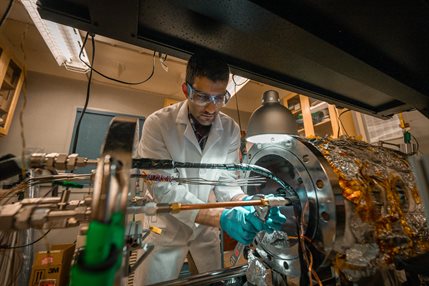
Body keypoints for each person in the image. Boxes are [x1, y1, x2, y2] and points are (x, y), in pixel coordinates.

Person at [135, 51, 286, 285]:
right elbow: (164, 189)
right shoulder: (158, 124)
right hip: (166, 229)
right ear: (186, 90)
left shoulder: (230, 129)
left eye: (219, 98)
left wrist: (250, 205)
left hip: (206, 232)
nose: (212, 108)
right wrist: (223, 218)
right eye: (203, 97)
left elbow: (225, 182)